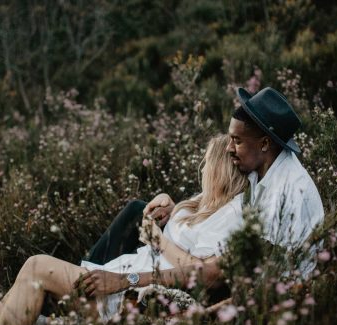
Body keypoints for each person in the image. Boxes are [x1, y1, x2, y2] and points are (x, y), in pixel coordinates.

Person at [0, 135, 247, 325]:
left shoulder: (232, 215)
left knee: (36, 267)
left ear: (218, 169)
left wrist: (159, 242)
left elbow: (203, 273)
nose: (202, 169)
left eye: (207, 163)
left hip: (132, 295)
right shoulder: (208, 200)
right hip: (125, 272)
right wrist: (171, 207)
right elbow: (189, 229)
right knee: (24, 282)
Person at [86, 87, 324, 284]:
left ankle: (85, 278)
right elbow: (224, 199)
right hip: (229, 269)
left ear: (264, 143)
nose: (229, 148)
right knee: (138, 210)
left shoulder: (287, 193)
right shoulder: (263, 168)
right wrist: (179, 210)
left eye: (237, 141)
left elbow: (218, 272)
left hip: (262, 289)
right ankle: (86, 274)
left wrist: (130, 279)